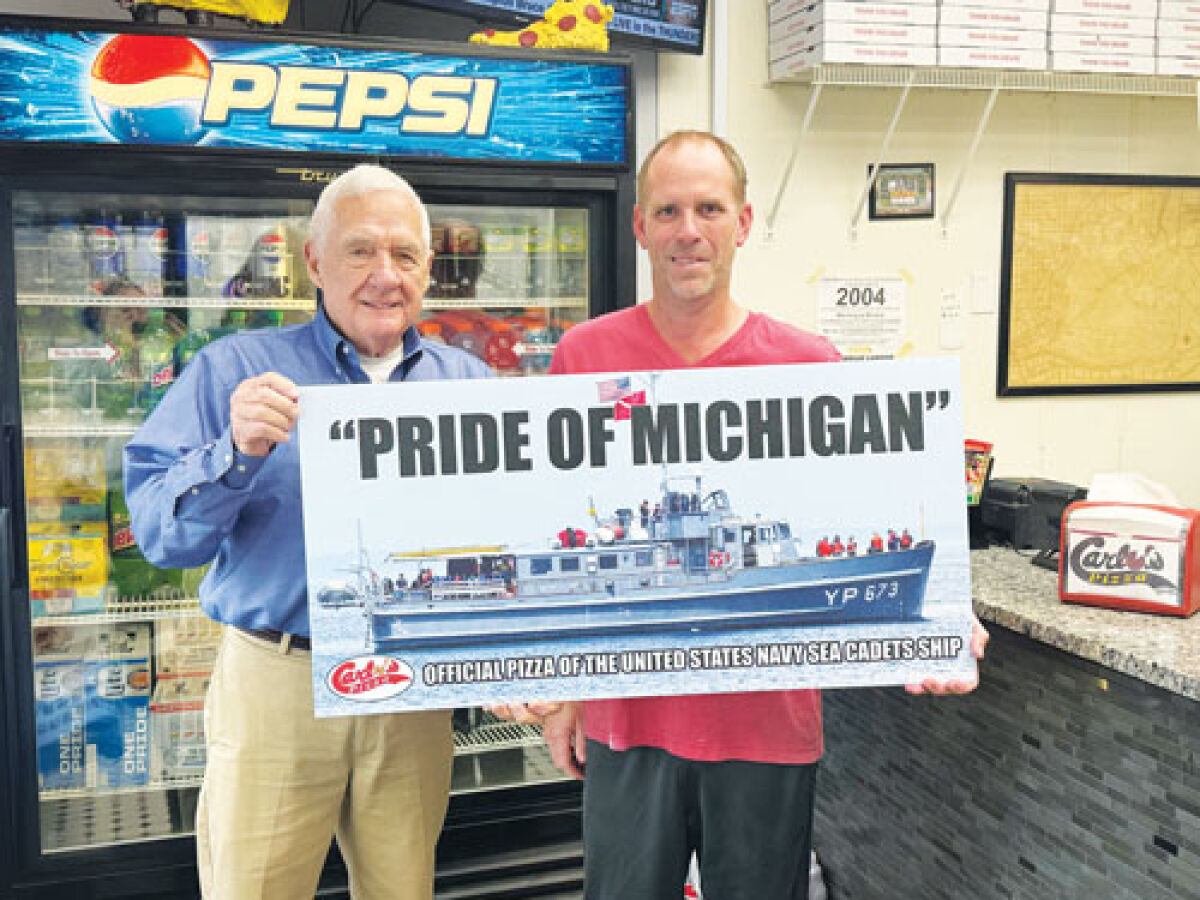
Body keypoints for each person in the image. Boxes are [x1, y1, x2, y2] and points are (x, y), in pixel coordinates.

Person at [491, 131, 989, 900]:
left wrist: (942, 613)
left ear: (744, 222)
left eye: (709, 208)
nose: (688, 229)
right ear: (641, 227)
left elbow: (872, 515)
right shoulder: (584, 356)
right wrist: (561, 694)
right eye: (669, 210)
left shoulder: (811, 365)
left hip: (766, 726)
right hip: (627, 721)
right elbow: (551, 527)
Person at [124, 163, 490, 899]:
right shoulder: (235, 371)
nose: (385, 275)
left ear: (428, 270)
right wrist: (233, 454)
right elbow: (163, 539)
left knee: (403, 888)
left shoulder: (470, 384)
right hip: (278, 680)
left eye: (405, 255)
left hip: (413, 685)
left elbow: (506, 542)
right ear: (314, 261)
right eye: (360, 251)